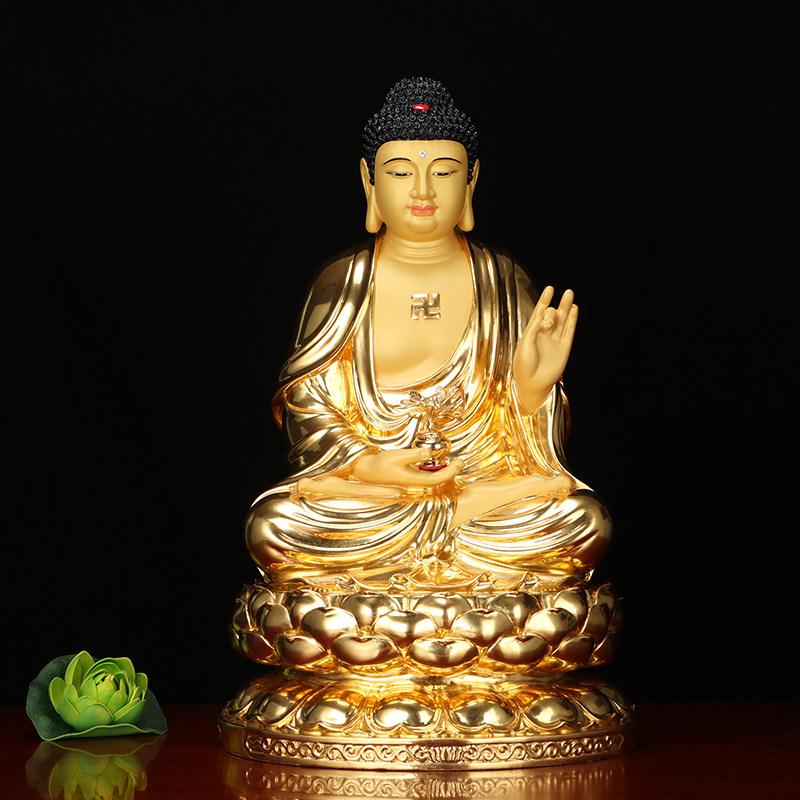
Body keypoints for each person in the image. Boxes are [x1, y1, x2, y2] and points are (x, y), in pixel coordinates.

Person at [245, 78, 611, 592]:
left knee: (584, 520)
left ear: (471, 181)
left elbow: (525, 444)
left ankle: (433, 543)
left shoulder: (504, 282)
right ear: (370, 183)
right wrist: (370, 465)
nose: (422, 191)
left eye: (444, 172)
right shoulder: (343, 283)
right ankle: (454, 547)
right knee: (274, 526)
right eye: (400, 173)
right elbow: (308, 407)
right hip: (376, 494)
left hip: (480, 484)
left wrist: (532, 389)